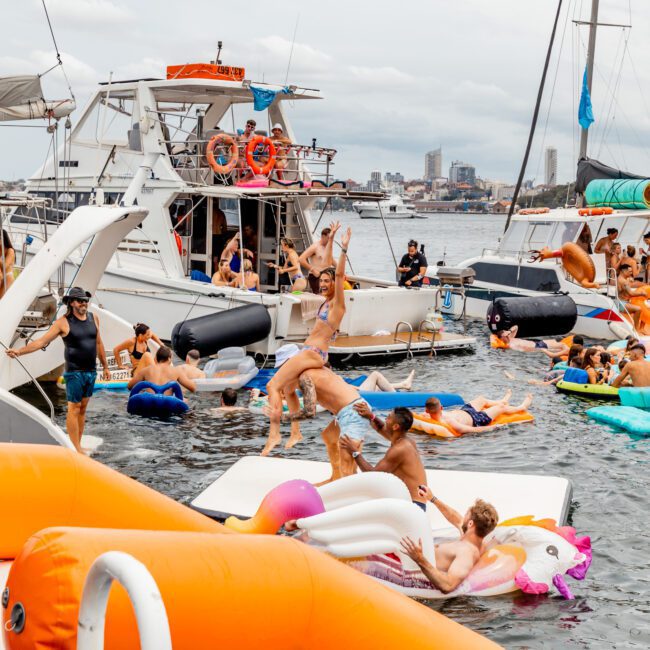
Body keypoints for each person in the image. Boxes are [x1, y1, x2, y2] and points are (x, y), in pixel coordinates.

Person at [264, 224, 350, 455]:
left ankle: (274, 435)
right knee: (289, 389)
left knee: (272, 385)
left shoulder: (337, 304)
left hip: (314, 353)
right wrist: (330, 239)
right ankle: (295, 432)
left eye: (326, 282)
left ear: (334, 284)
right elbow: (327, 264)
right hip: (313, 351)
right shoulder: (325, 300)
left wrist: (344, 248)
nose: (322, 284)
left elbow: (338, 273)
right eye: (320, 281)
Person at [5, 286, 110, 453]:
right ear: (72, 303)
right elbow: (41, 342)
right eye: (80, 300)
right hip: (74, 372)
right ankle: (75, 448)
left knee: (83, 408)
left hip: (91, 371)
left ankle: (78, 444)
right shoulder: (63, 322)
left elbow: (99, 343)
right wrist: (19, 351)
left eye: (86, 300)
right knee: (73, 408)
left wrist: (105, 366)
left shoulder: (94, 318)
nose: (84, 303)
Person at [275, 362, 372, 478]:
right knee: (329, 436)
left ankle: (351, 490)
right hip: (347, 411)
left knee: (347, 470)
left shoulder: (305, 377)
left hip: (354, 412)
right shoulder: (317, 369)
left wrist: (279, 417)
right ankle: (335, 477)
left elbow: (309, 412)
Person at [400, 485, 499, 594]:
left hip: (414, 568)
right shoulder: (472, 537)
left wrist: (419, 558)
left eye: (466, 515)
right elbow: (455, 517)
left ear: (470, 524)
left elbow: (448, 585)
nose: (463, 517)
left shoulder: (467, 553)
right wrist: (432, 498)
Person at [339, 405, 429, 509]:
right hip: (412, 502)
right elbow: (381, 428)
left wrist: (354, 452)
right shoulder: (404, 439)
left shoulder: (400, 449)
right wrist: (371, 416)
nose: (386, 419)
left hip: (414, 506)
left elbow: (373, 474)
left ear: (395, 427)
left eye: (389, 417)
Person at [422, 391, 532, 435]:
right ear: (441, 407)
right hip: (477, 419)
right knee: (501, 408)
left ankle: (502, 400)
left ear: (426, 410)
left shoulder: (426, 415)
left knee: (481, 399)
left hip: (465, 410)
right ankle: (521, 407)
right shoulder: (450, 422)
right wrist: (495, 427)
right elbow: (474, 430)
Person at [127, 346, 196, 395]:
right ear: (169, 359)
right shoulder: (176, 371)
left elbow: (130, 386)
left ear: (156, 358)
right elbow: (193, 388)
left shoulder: (146, 370)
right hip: (166, 405)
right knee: (185, 400)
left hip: (149, 403)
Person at [496, 325, 570, 358]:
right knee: (562, 345)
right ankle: (572, 352)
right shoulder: (508, 345)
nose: (506, 334)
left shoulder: (511, 337)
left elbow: (516, 327)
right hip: (536, 347)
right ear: (502, 337)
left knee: (560, 345)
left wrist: (509, 331)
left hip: (537, 343)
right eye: (504, 333)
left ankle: (571, 352)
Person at [298, 227, 335, 293]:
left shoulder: (327, 247)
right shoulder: (315, 247)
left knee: (329, 295)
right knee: (321, 296)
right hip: (316, 276)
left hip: (326, 275)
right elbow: (301, 259)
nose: (330, 241)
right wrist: (312, 269)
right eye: (329, 238)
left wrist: (342, 271)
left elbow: (332, 260)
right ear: (323, 236)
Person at [616, 264, 645, 329]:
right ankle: (635, 329)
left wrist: (629, 279)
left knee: (643, 307)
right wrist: (642, 293)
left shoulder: (621, 278)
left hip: (624, 301)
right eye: (630, 272)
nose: (631, 273)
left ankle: (641, 328)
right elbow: (631, 293)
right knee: (638, 309)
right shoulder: (624, 281)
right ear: (623, 271)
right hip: (621, 303)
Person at [0, 229, 15, 299]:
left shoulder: (10, 250)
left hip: (8, 277)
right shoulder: (0, 249)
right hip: (2, 278)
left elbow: (4, 266)